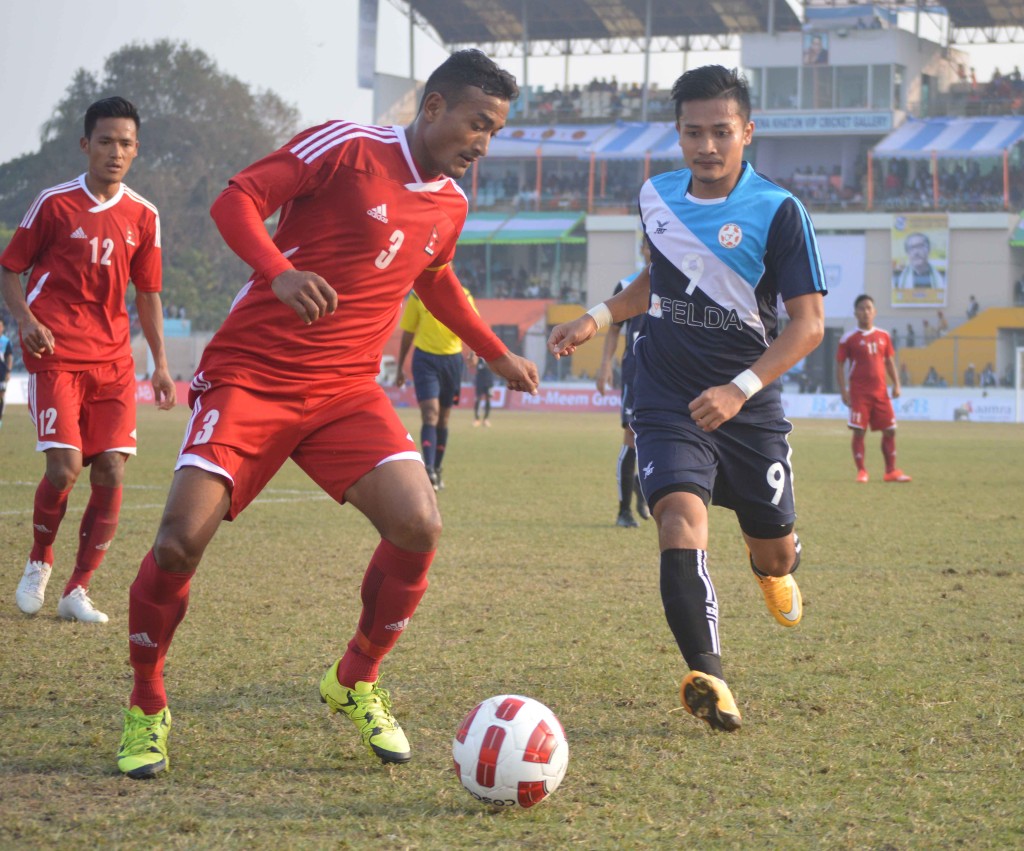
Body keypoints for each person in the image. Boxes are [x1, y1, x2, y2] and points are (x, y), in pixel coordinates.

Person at [114, 49, 539, 780]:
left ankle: (354, 678)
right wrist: (279, 274)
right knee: (180, 541)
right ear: (432, 107)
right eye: (477, 123)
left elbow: (433, 276)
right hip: (253, 377)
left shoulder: (452, 205)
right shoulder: (345, 147)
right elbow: (236, 198)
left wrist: (493, 352)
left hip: (346, 391)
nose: (483, 143)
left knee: (419, 525)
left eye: (495, 131)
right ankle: (147, 701)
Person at [549, 65, 826, 733]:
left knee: (776, 550)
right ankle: (710, 674)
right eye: (694, 132)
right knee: (678, 517)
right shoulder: (656, 195)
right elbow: (657, 279)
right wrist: (597, 317)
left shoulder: (779, 211)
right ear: (678, 134)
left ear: (747, 133)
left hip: (747, 403)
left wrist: (740, 388)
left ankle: (771, 567)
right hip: (665, 392)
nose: (707, 146)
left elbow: (808, 324)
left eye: (721, 132)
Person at [0, 97, 175, 623]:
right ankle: (39, 561)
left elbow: (147, 293)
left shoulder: (145, 215)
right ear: (86, 145)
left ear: (136, 149)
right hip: (56, 355)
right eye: (105, 141)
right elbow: (11, 269)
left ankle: (78, 589)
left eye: (125, 143)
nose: (115, 152)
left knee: (112, 472)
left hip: (114, 362)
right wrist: (27, 321)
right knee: (64, 467)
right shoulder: (53, 204)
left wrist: (160, 365)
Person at [395, 285, 479, 489]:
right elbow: (408, 332)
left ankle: (437, 469)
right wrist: (400, 367)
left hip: (452, 361)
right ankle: (429, 469)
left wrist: (476, 350)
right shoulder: (417, 296)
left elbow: (474, 325)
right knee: (430, 413)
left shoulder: (463, 295)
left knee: (443, 418)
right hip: (425, 359)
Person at [834, 295, 911, 484]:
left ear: (874, 312)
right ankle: (862, 471)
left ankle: (891, 471)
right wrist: (844, 392)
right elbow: (839, 365)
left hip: (881, 393)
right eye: (861, 308)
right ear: (855, 313)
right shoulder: (848, 339)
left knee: (890, 430)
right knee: (859, 431)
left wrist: (897, 384)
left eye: (869, 308)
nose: (865, 312)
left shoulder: (883, 336)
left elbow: (889, 362)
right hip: (859, 394)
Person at [596, 259, 650, 528]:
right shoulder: (627, 285)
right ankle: (623, 511)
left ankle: (643, 482)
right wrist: (605, 365)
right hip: (636, 375)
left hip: (673, 376)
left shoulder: (683, 281)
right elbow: (614, 330)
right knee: (631, 436)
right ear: (643, 248)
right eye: (649, 246)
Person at [473, 359, 494, 426]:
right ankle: (477, 419)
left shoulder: (491, 356)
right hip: (480, 381)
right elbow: (472, 364)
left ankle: (486, 419)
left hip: (489, 381)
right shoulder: (478, 355)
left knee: (488, 399)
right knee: (478, 399)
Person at [0, 316, 13, 430]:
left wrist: (8, 371)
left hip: (2, 374)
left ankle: (0, 419)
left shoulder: (5, 341)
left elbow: (9, 357)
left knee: (1, 396)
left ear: (3, 327)